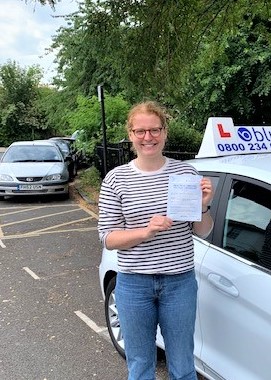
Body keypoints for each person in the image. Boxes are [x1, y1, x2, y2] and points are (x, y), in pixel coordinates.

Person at [98, 100, 214, 380]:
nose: (148, 137)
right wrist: (145, 232)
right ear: (130, 134)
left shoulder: (186, 174)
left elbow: (203, 231)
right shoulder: (116, 179)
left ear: (164, 132)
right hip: (133, 284)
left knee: (184, 364)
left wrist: (203, 206)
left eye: (154, 130)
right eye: (140, 131)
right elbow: (108, 238)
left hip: (179, 282)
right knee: (139, 366)